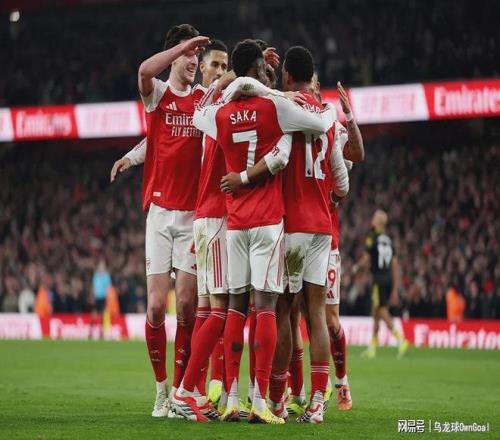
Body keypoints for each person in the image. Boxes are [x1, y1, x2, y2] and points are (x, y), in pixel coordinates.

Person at [193, 39, 336, 424]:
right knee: (270, 309)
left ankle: (230, 398)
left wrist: (225, 83)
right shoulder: (276, 108)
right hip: (270, 222)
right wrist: (281, 94)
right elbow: (318, 126)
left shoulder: (221, 113)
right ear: (257, 72)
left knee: (235, 309)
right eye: (262, 70)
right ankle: (262, 400)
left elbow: (198, 114)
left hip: (235, 222)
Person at [111, 23, 210, 417]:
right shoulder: (159, 94)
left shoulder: (202, 100)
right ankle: (161, 391)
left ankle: (181, 394)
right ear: (174, 55)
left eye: (198, 55)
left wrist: (133, 156)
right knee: (155, 308)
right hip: (159, 214)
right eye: (189, 54)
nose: (195, 61)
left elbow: (161, 140)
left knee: (186, 305)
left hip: (192, 216)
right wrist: (131, 158)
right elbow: (143, 72)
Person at [353, 209, 409, 359]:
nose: (372, 220)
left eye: (374, 218)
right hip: (389, 279)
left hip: (378, 279)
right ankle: (372, 347)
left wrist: (356, 268)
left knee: (381, 311)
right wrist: (395, 288)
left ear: (378, 222)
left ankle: (400, 339)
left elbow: (366, 259)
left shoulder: (372, 238)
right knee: (376, 313)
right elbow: (395, 265)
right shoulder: (389, 240)